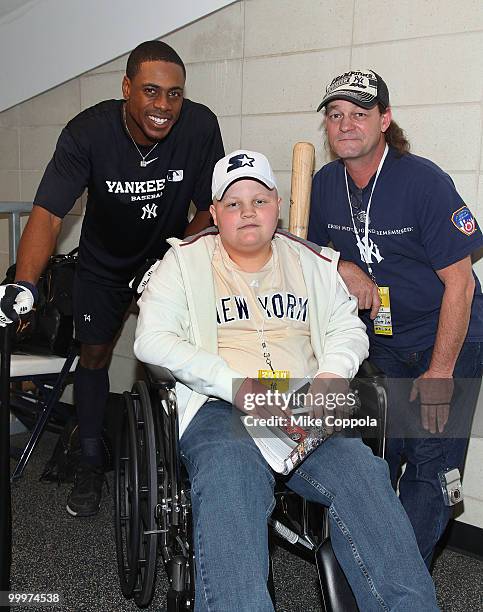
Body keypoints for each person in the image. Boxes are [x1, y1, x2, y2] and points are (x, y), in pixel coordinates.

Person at [134, 149, 439, 611]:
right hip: (219, 405)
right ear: (214, 213)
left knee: (363, 474)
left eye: (259, 199)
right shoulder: (182, 263)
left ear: (277, 203)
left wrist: (333, 375)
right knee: (230, 477)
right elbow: (151, 341)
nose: (248, 212)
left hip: (301, 404)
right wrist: (234, 385)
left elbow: (347, 327)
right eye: (233, 204)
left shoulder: (312, 262)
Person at [0, 40, 224, 517]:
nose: (163, 106)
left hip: (166, 255)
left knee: (178, 355)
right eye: (150, 91)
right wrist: (24, 284)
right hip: (103, 265)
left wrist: (176, 258)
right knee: (95, 355)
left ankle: (183, 459)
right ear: (127, 88)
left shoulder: (200, 125)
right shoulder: (87, 132)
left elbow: (212, 205)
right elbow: (49, 212)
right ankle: (88, 462)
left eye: (174, 94)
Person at [307, 68, 483, 568]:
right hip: (382, 342)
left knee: (430, 468)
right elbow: (313, 254)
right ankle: (377, 571)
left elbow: (461, 283)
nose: (345, 125)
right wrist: (342, 264)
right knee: (380, 459)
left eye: (359, 115)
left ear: (384, 120)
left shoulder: (423, 181)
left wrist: (442, 373)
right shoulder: (324, 185)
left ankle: (396, 587)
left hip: (446, 339)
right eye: (335, 116)